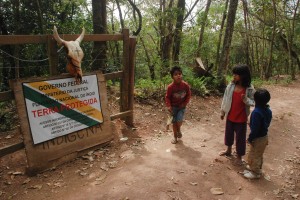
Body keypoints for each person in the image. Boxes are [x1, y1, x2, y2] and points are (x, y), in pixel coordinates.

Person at [220, 64, 255, 164]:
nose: (234, 76)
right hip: (230, 116)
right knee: (229, 134)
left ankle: (239, 156)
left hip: (241, 118)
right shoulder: (230, 86)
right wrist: (222, 112)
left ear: (243, 76)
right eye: (233, 74)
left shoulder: (249, 88)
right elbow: (225, 99)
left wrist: (246, 99)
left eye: (236, 74)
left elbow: (253, 102)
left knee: (240, 138)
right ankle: (228, 150)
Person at [243, 89, 272, 179]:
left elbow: (255, 129)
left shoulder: (256, 112)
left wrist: (250, 138)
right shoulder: (268, 110)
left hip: (258, 138)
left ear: (255, 100)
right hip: (264, 136)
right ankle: (254, 167)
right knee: (258, 154)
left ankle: (256, 172)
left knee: (255, 154)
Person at [165, 66, 191, 144]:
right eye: (176, 74)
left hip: (181, 107)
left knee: (179, 121)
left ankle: (179, 130)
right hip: (173, 108)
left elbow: (188, 95)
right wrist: (169, 106)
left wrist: (184, 103)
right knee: (174, 122)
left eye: (179, 74)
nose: (178, 75)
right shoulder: (170, 87)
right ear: (172, 77)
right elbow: (167, 97)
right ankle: (175, 137)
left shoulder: (185, 85)